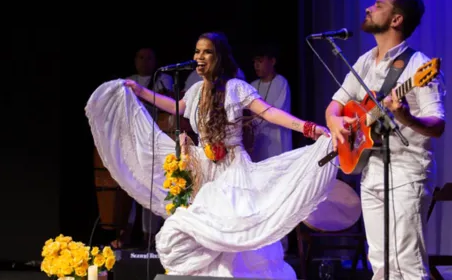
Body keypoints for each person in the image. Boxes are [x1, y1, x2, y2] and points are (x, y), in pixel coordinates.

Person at [85, 31, 340, 278]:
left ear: (219, 57)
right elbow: (176, 107)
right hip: (204, 170)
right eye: (197, 51)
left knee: (231, 228)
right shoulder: (196, 91)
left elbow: (268, 112)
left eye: (207, 52)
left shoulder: (236, 88)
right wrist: (140, 93)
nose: (200, 56)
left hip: (233, 170)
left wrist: (308, 127)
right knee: (193, 228)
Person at [325, 0, 445, 280]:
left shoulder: (419, 66)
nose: (369, 8)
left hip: (407, 170)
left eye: (378, 5)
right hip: (371, 170)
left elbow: (438, 124)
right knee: (379, 261)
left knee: (408, 262)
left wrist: (405, 115)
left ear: (396, 20)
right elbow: (335, 105)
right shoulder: (365, 61)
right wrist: (335, 122)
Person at [249, 43, 293, 163]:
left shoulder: (281, 83)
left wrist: (255, 116)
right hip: (258, 144)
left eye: (260, 61)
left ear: (272, 61)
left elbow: (276, 112)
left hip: (277, 144)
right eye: (254, 62)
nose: (256, 65)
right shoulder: (252, 86)